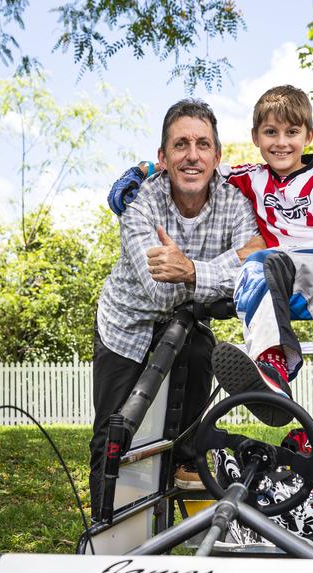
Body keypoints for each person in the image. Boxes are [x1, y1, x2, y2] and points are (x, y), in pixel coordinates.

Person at [109, 85, 313, 431]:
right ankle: (271, 368)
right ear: (256, 137)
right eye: (271, 132)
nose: (281, 142)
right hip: (299, 278)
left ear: (309, 135)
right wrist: (142, 170)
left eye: (292, 132)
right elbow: (197, 165)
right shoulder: (247, 178)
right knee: (257, 262)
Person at [90, 99, 259, 519]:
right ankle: (107, 527)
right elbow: (159, 293)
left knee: (200, 353)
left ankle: (187, 455)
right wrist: (216, 273)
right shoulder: (140, 203)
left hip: (188, 322)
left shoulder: (233, 203)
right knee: (114, 433)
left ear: (217, 157)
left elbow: (255, 257)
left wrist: (190, 270)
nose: (192, 154)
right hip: (127, 327)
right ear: (162, 158)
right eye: (180, 144)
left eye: (203, 144)